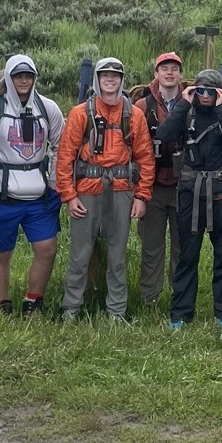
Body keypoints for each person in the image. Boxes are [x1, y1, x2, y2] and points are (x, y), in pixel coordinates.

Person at [56, 56, 155, 322]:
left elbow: (145, 157)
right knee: (80, 255)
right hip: (87, 191)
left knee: (117, 256)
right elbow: (65, 156)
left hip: (122, 191)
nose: (110, 79)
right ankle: (71, 308)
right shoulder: (80, 114)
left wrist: (142, 196)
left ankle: (116, 311)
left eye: (115, 75)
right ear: (97, 79)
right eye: (105, 75)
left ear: (122, 80)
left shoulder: (134, 115)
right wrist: (69, 195)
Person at [0, 53, 65, 317]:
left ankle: (33, 301)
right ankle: (1, 304)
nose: (23, 80)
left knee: (47, 249)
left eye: (28, 75)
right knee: (1, 252)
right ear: (9, 77)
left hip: (40, 197)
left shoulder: (48, 109)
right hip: (0, 195)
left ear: (35, 77)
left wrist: (56, 184)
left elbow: (61, 146)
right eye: (18, 75)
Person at [155, 68, 222, 332]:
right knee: (187, 255)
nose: (205, 96)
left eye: (211, 91)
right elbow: (164, 133)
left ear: (220, 93)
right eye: (201, 90)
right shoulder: (186, 113)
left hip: (221, 193)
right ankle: (181, 314)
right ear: (194, 91)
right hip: (190, 193)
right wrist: (185, 102)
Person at [134, 52, 186, 308]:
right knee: (151, 248)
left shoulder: (191, 102)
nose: (169, 73)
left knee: (182, 247)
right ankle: (149, 300)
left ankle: (180, 298)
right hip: (151, 186)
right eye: (164, 68)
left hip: (183, 186)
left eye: (174, 69)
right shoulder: (142, 107)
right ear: (156, 74)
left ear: (180, 74)